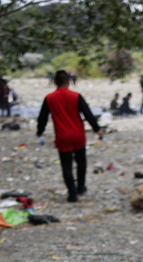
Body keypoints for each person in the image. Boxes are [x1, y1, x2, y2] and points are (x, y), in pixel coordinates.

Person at [36, 69, 104, 202]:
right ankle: (81, 187)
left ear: (55, 82)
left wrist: (40, 131)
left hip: (62, 136)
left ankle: (72, 194)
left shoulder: (49, 98)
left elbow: (42, 117)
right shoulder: (76, 96)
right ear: (69, 81)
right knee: (81, 162)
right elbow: (88, 114)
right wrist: (97, 129)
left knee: (66, 165)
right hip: (78, 134)